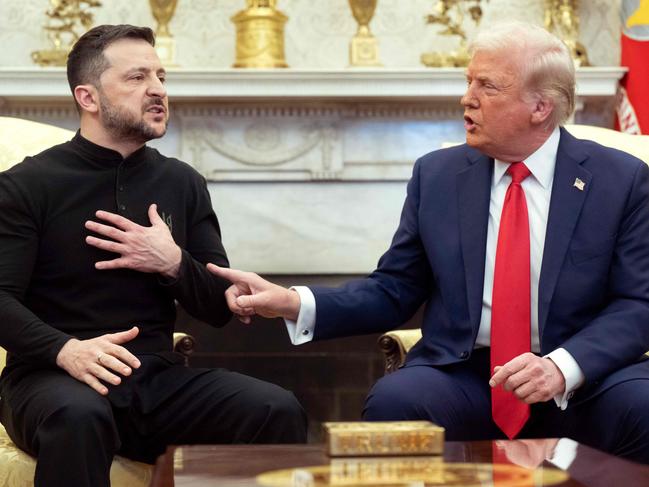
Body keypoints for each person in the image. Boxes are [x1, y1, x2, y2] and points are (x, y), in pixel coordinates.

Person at [209, 20, 649, 464]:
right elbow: (393, 289)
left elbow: (637, 304)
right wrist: (290, 302)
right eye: (468, 82)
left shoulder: (622, 180)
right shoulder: (438, 176)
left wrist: (561, 367)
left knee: (644, 409)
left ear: (540, 106)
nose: (467, 98)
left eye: (487, 86)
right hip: (469, 373)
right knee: (396, 404)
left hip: (584, 377)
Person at [0, 24, 306, 487]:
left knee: (274, 408)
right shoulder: (27, 184)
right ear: (88, 97)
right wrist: (65, 350)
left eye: (161, 77)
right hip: (51, 378)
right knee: (79, 416)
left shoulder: (182, 183)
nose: (158, 90)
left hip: (155, 379)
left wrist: (173, 263)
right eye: (137, 78)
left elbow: (215, 307)